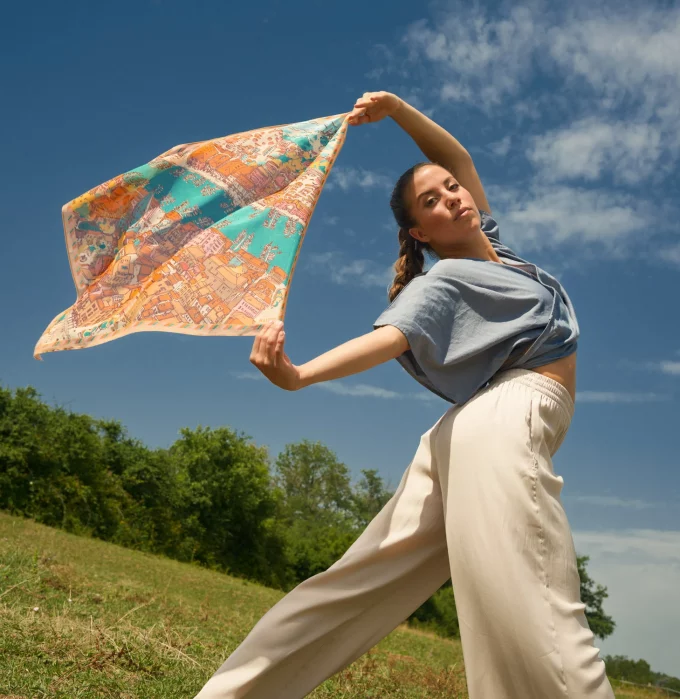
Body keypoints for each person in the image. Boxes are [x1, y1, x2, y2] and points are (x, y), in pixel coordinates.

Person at [194, 92, 615, 699]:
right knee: (530, 597)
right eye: (432, 201)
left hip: (467, 430)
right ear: (420, 231)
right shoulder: (440, 278)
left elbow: (455, 154)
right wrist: (301, 373)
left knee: (356, 586)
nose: (452, 195)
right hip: (501, 417)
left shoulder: (503, 255)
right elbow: (392, 336)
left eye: (452, 188)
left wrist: (397, 110)